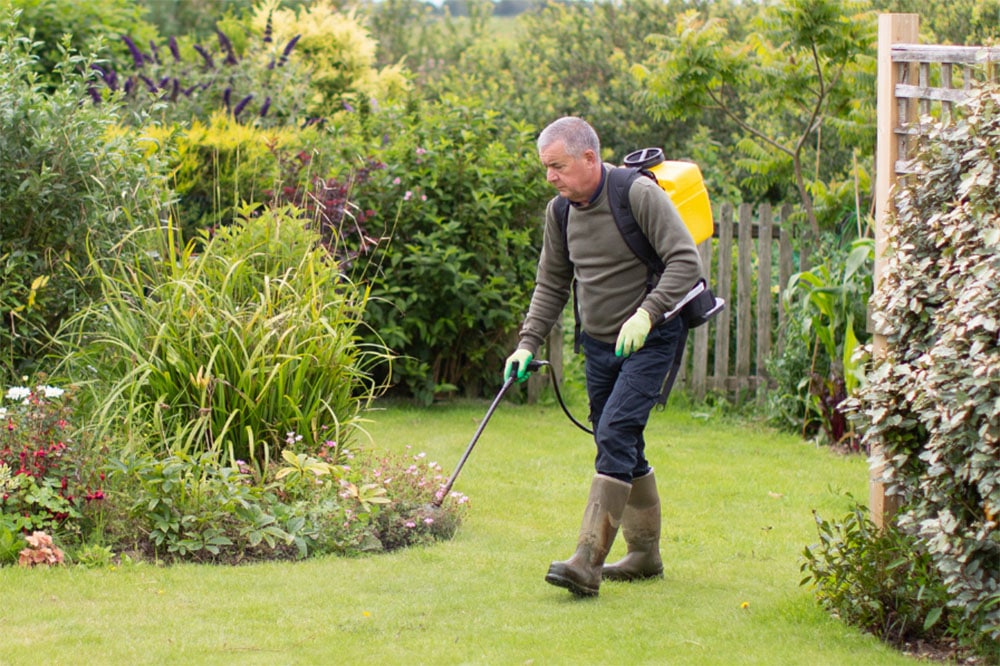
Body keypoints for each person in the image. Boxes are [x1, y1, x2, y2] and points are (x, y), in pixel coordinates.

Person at [504, 116, 703, 597]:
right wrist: (527, 342)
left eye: (558, 166)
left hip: (650, 339)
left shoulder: (637, 194)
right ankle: (644, 555)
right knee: (617, 440)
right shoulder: (561, 212)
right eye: (546, 168)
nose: (550, 176)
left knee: (615, 431)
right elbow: (551, 282)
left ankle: (587, 562)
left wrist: (648, 313)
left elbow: (685, 261)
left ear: (589, 158)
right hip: (599, 345)